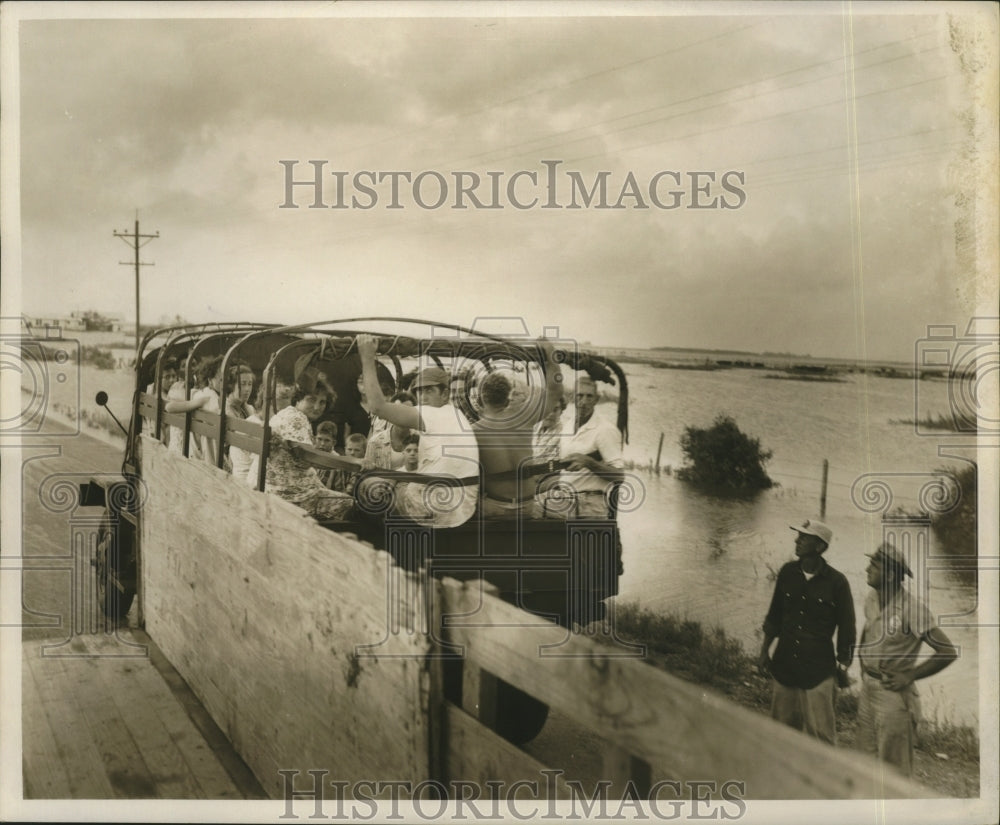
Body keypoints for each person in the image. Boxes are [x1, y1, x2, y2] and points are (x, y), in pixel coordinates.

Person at [856, 541, 958, 776]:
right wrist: (863, 664)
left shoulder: (913, 609)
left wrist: (909, 675)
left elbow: (947, 651)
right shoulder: (872, 597)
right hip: (868, 690)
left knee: (894, 772)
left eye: (874, 564)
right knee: (863, 765)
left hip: (893, 696)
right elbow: (868, 629)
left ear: (891, 575)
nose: (867, 568)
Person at [355, 334, 479, 528]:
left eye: (429, 391)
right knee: (388, 484)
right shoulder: (457, 415)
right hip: (463, 507)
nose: (423, 397)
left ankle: (376, 546)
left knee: (367, 489)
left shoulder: (431, 414)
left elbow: (377, 407)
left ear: (445, 394)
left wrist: (367, 358)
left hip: (436, 505)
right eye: (419, 391)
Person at [758, 519, 855, 745]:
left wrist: (843, 666)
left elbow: (847, 628)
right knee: (780, 732)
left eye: (804, 538)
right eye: (798, 536)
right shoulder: (787, 572)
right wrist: (764, 651)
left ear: (819, 547)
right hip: (785, 665)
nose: (797, 541)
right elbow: (774, 616)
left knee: (821, 737)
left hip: (818, 671)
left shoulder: (838, 583)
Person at [471, 344, 563, 517]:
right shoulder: (524, 419)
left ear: (481, 399)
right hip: (527, 507)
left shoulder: (473, 432)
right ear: (507, 399)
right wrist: (550, 353)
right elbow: (556, 391)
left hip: (495, 507)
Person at [264, 381, 353, 520]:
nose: (317, 407)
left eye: (322, 402)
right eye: (311, 400)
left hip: (279, 489)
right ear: (298, 399)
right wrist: (352, 462)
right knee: (351, 504)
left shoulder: (286, 413)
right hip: (294, 497)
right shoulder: (297, 419)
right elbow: (311, 457)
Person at [539, 374, 624, 518]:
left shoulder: (605, 430)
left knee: (525, 509)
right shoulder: (568, 425)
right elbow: (563, 475)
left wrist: (588, 462)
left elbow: (619, 476)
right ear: (573, 397)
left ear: (596, 400)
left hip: (588, 504)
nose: (583, 401)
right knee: (520, 501)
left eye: (589, 396)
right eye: (580, 395)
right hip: (566, 499)